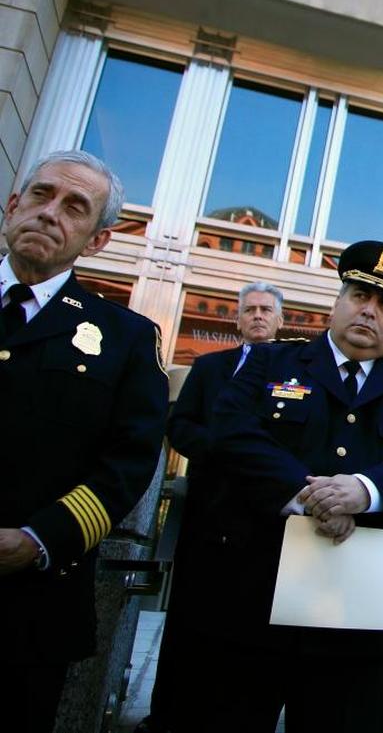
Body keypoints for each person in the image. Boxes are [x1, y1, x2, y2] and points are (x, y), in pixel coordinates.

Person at [179, 241, 383, 733]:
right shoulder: (271, 364)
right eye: (359, 295)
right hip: (252, 603)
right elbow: (229, 429)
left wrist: (365, 490)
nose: (369, 311)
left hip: (359, 622)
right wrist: (306, 494)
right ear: (337, 300)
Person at [0, 150, 168, 732]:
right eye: (41, 196)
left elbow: (129, 463)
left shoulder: (125, 338)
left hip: (27, 605)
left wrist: (36, 539)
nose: (51, 214)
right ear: (11, 206)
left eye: (74, 207)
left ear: (96, 240)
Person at [136, 281, 286, 733]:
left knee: (254, 630)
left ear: (281, 320)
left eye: (266, 310)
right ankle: (169, 716)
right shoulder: (210, 368)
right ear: (237, 320)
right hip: (208, 515)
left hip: (265, 520)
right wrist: (226, 450)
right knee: (189, 624)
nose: (258, 316)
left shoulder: (295, 373)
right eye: (249, 310)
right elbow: (181, 425)